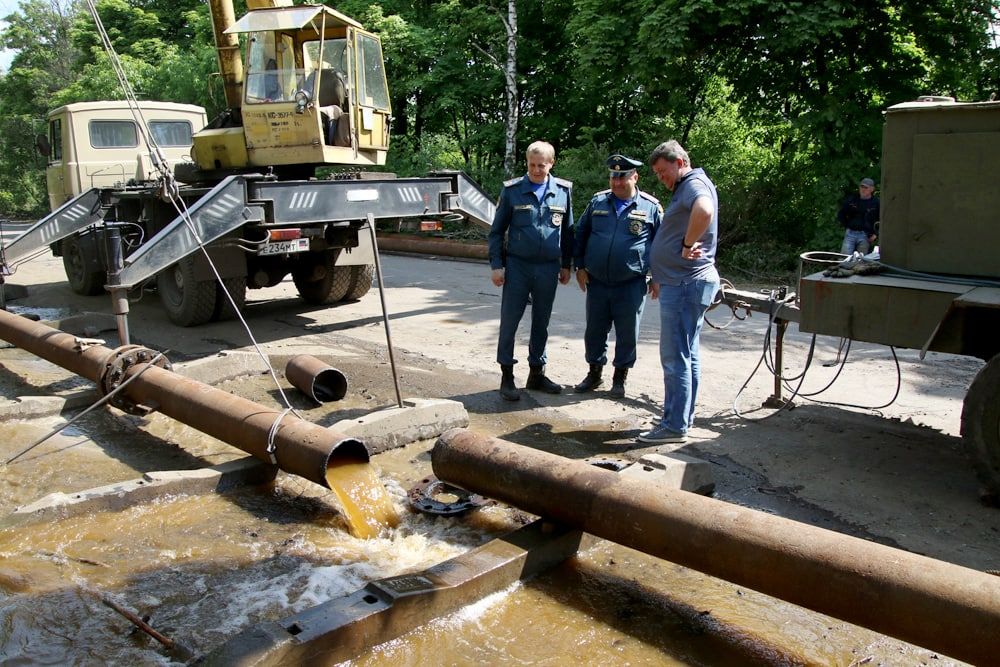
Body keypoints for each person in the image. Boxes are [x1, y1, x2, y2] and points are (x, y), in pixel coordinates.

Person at [639, 140, 720, 444]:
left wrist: (686, 245)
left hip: (687, 283)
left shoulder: (694, 184)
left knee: (675, 357)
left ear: (680, 162)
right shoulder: (688, 185)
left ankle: (673, 426)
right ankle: (681, 418)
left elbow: (705, 210)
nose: (662, 178)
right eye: (657, 174)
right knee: (687, 355)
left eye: (663, 171)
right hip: (683, 281)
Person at [488, 141, 574, 401]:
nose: (536, 170)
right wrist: (496, 265)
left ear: (551, 163)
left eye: (542, 165)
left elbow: (568, 232)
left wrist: (566, 264)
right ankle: (507, 375)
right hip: (518, 267)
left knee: (542, 322)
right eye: (532, 165)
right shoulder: (513, 190)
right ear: (527, 163)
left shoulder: (563, 191)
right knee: (510, 322)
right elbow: (496, 232)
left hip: (548, 268)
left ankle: (536, 373)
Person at [573, 154, 661, 398]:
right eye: (613, 177)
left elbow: (661, 244)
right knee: (594, 331)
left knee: (627, 332)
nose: (617, 182)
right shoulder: (598, 202)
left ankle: (620, 377)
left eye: (622, 177)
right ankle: (594, 374)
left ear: (635, 177)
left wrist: (658, 276)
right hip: (598, 281)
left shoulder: (650, 207)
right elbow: (581, 233)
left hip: (631, 283)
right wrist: (578, 266)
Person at [837, 177, 879, 255]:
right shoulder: (852, 199)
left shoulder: (876, 203)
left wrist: (876, 234)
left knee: (862, 261)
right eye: (861, 186)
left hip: (865, 235)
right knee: (844, 258)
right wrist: (847, 226)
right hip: (850, 233)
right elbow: (841, 214)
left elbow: (881, 220)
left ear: (872, 189)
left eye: (866, 187)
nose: (863, 189)